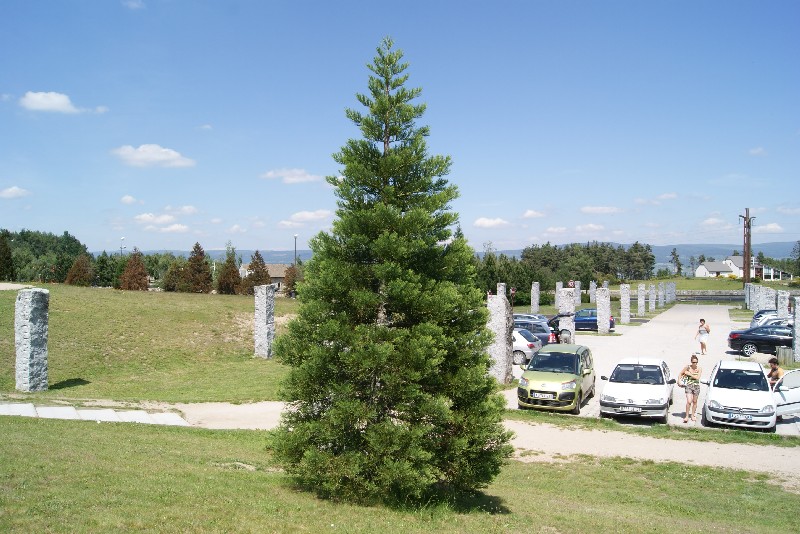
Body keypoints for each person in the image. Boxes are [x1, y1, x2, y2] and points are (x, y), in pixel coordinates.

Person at [678, 355, 702, 423]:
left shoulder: (699, 368)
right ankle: (686, 416)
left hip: (696, 386)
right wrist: (679, 381)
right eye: (693, 362)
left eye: (696, 362)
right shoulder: (687, 367)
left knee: (694, 401)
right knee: (689, 401)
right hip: (689, 385)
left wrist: (690, 374)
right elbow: (681, 373)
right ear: (691, 362)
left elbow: (697, 378)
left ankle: (693, 415)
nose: (695, 363)